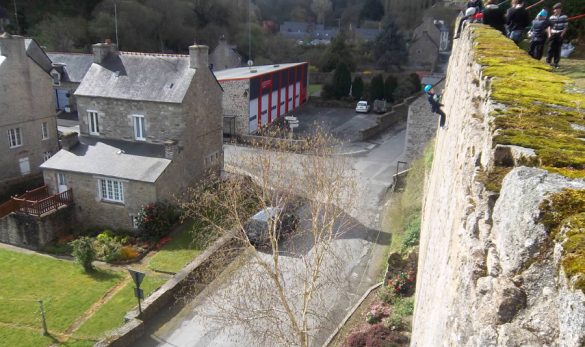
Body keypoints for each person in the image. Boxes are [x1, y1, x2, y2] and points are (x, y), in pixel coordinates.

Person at [546, 3, 569, 68]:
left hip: (560, 34)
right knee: (550, 49)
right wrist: (549, 34)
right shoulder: (551, 17)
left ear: (560, 9)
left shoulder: (564, 17)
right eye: (554, 9)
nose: (555, 10)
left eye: (557, 9)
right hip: (552, 34)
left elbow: (565, 27)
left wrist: (561, 35)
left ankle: (556, 63)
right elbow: (549, 27)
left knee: (557, 49)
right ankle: (548, 62)